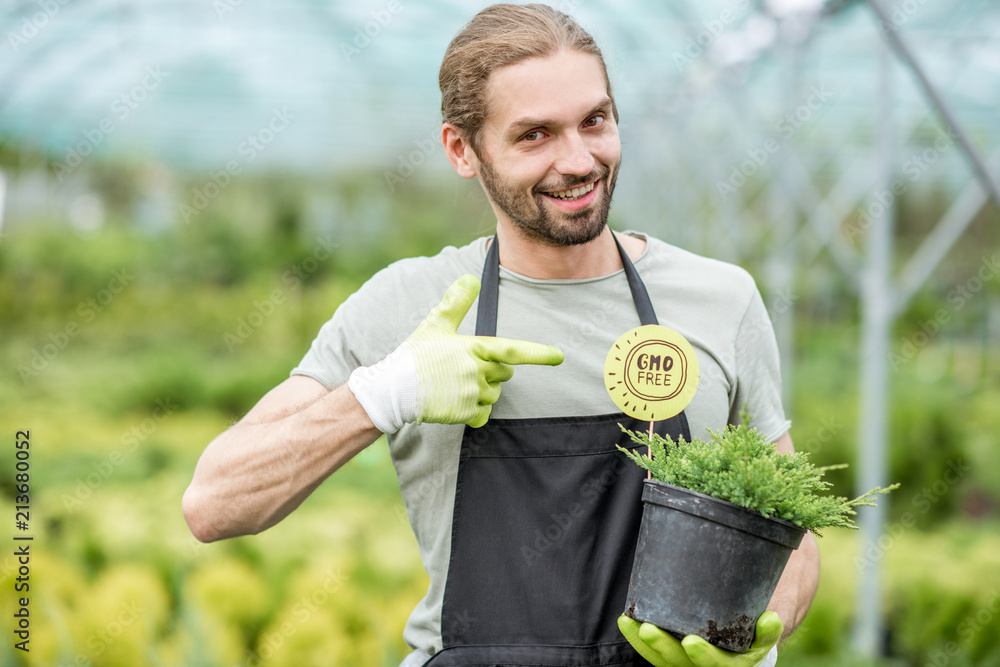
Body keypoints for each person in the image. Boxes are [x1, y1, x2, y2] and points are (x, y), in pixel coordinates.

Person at [182, 4, 820, 666]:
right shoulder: (408, 304)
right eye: (534, 135)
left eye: (593, 121)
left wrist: (757, 633)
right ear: (463, 149)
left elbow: (793, 528)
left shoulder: (720, 299)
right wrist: (386, 391)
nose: (578, 160)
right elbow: (213, 502)